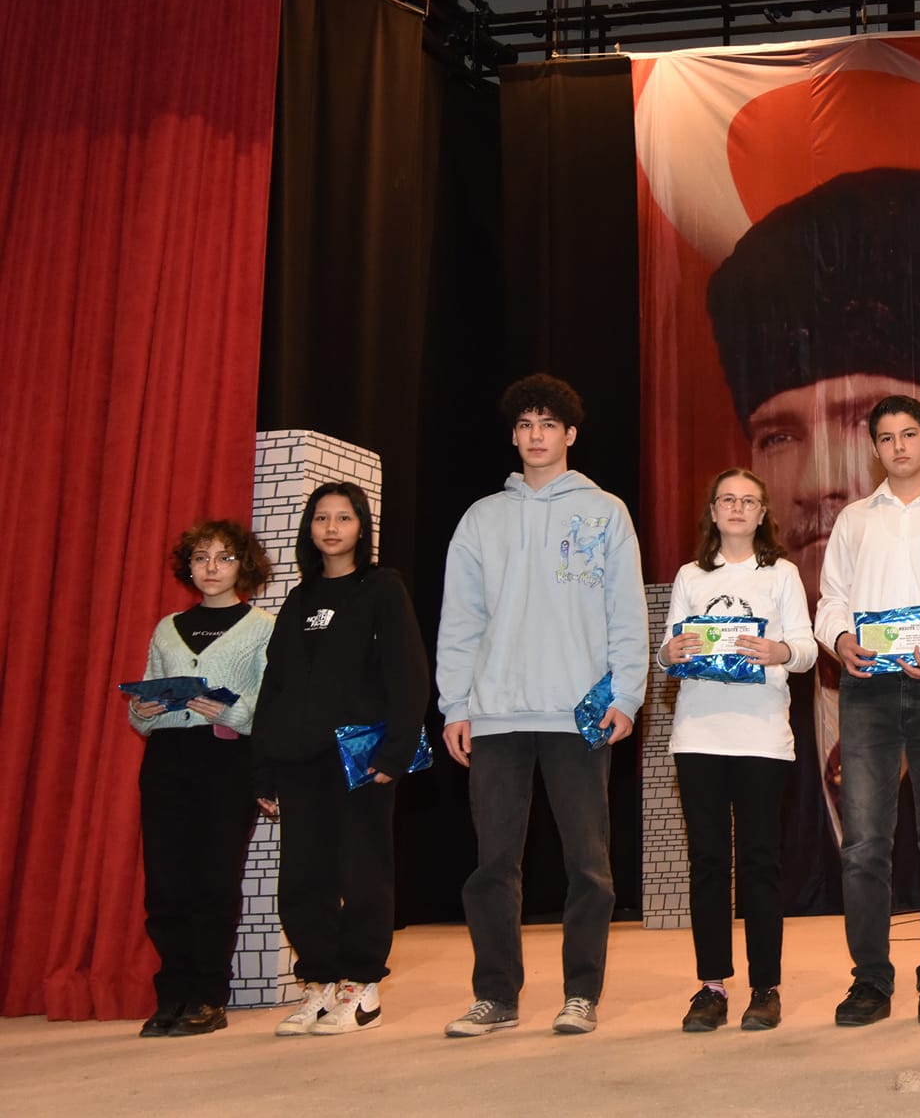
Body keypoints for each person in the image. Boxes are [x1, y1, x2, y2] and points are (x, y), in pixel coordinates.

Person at [706, 169, 920, 864]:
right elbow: (831, 605)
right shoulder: (765, 696)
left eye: (858, 423)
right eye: (779, 437)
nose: (817, 482)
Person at [437, 374, 649, 1038]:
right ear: (514, 435)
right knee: (493, 864)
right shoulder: (482, 518)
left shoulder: (605, 511)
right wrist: (455, 704)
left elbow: (626, 610)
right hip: (496, 712)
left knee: (588, 863)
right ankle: (495, 995)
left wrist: (627, 693)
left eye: (548, 424)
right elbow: (460, 620)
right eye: (526, 425)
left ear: (570, 434)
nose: (536, 435)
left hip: (578, 711)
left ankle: (581, 992)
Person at [812, 394, 920, 1026]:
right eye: (886, 438)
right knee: (864, 843)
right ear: (874, 448)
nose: (899, 447)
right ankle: (870, 980)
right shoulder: (855, 520)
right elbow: (831, 598)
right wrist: (840, 640)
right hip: (868, 691)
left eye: (909, 434)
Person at [254, 483, 431, 1037]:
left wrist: (395, 752)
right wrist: (264, 766)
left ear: (361, 527)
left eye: (344, 518)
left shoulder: (382, 588)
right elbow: (274, 686)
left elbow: (409, 673)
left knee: (363, 871)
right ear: (309, 529)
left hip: (360, 760)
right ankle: (319, 983)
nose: (331, 528)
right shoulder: (298, 599)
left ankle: (361, 984)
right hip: (297, 760)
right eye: (321, 518)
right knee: (303, 877)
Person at [661, 468, 817, 1034]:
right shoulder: (689, 576)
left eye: (748, 501)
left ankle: (765, 988)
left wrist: (778, 650)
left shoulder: (782, 574)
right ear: (712, 510)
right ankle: (711, 987)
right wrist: (671, 652)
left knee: (760, 863)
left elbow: (806, 650)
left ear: (762, 513)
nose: (736, 508)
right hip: (698, 736)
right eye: (726, 499)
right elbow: (668, 650)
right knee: (707, 863)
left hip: (762, 739)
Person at [128, 519, 277, 1038]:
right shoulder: (168, 626)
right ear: (188, 567)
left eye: (224, 557)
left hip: (226, 760)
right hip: (168, 759)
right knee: (166, 884)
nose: (212, 567)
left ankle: (208, 997)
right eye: (201, 557)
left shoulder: (262, 626)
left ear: (243, 565)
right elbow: (144, 700)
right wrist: (142, 711)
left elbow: (271, 702)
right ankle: (172, 994)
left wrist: (232, 712)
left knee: (214, 880)